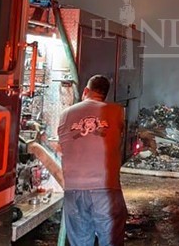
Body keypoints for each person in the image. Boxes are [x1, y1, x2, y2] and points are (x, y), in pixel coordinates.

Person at [57, 75, 127, 246]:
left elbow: (61, 146)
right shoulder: (116, 111)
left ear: (85, 91)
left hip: (73, 190)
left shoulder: (65, 114)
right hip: (105, 190)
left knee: (80, 241)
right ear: (105, 95)